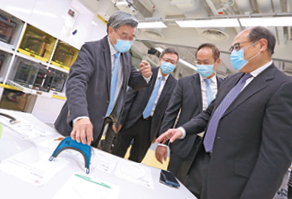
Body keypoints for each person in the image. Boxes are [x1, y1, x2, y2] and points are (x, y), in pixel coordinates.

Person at [157, 26, 292, 199]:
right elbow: (210, 114)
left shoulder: (282, 86)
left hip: (232, 181)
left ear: (261, 45)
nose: (233, 53)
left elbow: (275, 156)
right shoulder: (231, 80)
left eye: (237, 47)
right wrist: (182, 130)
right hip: (201, 165)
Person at [54, 11, 152, 146]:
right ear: (111, 30)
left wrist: (145, 76)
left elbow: (133, 81)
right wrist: (80, 116)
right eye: (124, 35)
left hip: (98, 125)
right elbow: (77, 81)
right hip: (79, 123)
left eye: (132, 37)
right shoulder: (91, 50)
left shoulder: (126, 56)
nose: (128, 41)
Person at [155, 43, 223, 182]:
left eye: (206, 62)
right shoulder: (185, 83)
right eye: (198, 62)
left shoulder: (225, 86)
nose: (202, 65)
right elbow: (171, 113)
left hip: (210, 148)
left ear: (217, 62)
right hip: (184, 144)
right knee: (172, 182)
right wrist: (163, 143)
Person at [111, 48, 178, 162]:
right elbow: (129, 98)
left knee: (136, 160)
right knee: (116, 153)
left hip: (150, 127)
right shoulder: (146, 73)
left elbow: (168, 113)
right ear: (160, 60)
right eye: (167, 60)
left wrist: (159, 134)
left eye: (172, 62)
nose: (169, 64)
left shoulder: (176, 85)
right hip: (130, 120)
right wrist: (120, 121)